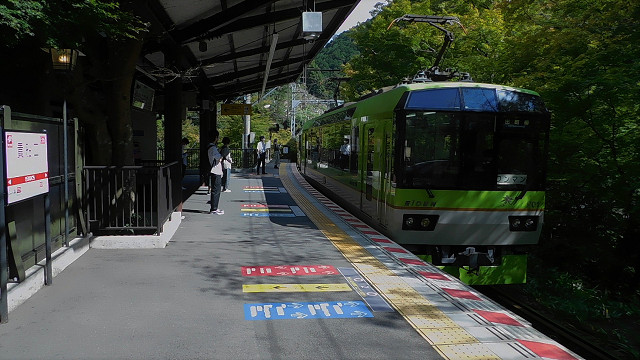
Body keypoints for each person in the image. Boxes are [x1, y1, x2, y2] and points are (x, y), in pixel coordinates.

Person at [207, 130, 224, 215]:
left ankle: (214, 208)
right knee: (216, 190)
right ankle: (214, 208)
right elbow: (219, 158)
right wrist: (222, 153)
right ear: (216, 138)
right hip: (215, 170)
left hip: (214, 170)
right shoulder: (213, 148)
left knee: (215, 189)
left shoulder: (210, 147)